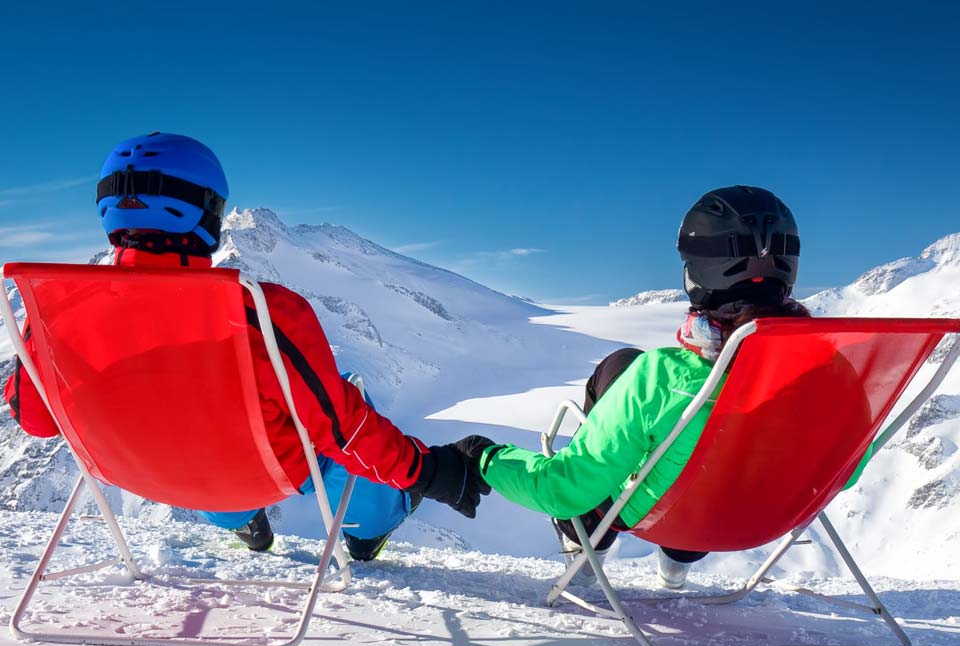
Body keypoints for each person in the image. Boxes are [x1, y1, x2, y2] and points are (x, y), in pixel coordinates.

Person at [4, 132, 487, 561]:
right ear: (208, 213)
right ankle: (366, 532)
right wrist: (432, 470)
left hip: (137, 473)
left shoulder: (55, 312)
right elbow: (343, 431)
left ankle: (244, 526)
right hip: (264, 471)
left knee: (188, 424)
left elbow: (37, 420)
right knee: (340, 411)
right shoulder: (260, 312)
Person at [456, 185, 812, 588]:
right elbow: (844, 474)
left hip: (664, 516)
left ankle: (587, 546)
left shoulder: (666, 377)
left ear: (697, 270)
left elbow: (561, 489)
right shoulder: (832, 374)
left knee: (617, 374)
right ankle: (676, 569)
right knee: (695, 447)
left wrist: (482, 457)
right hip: (762, 520)